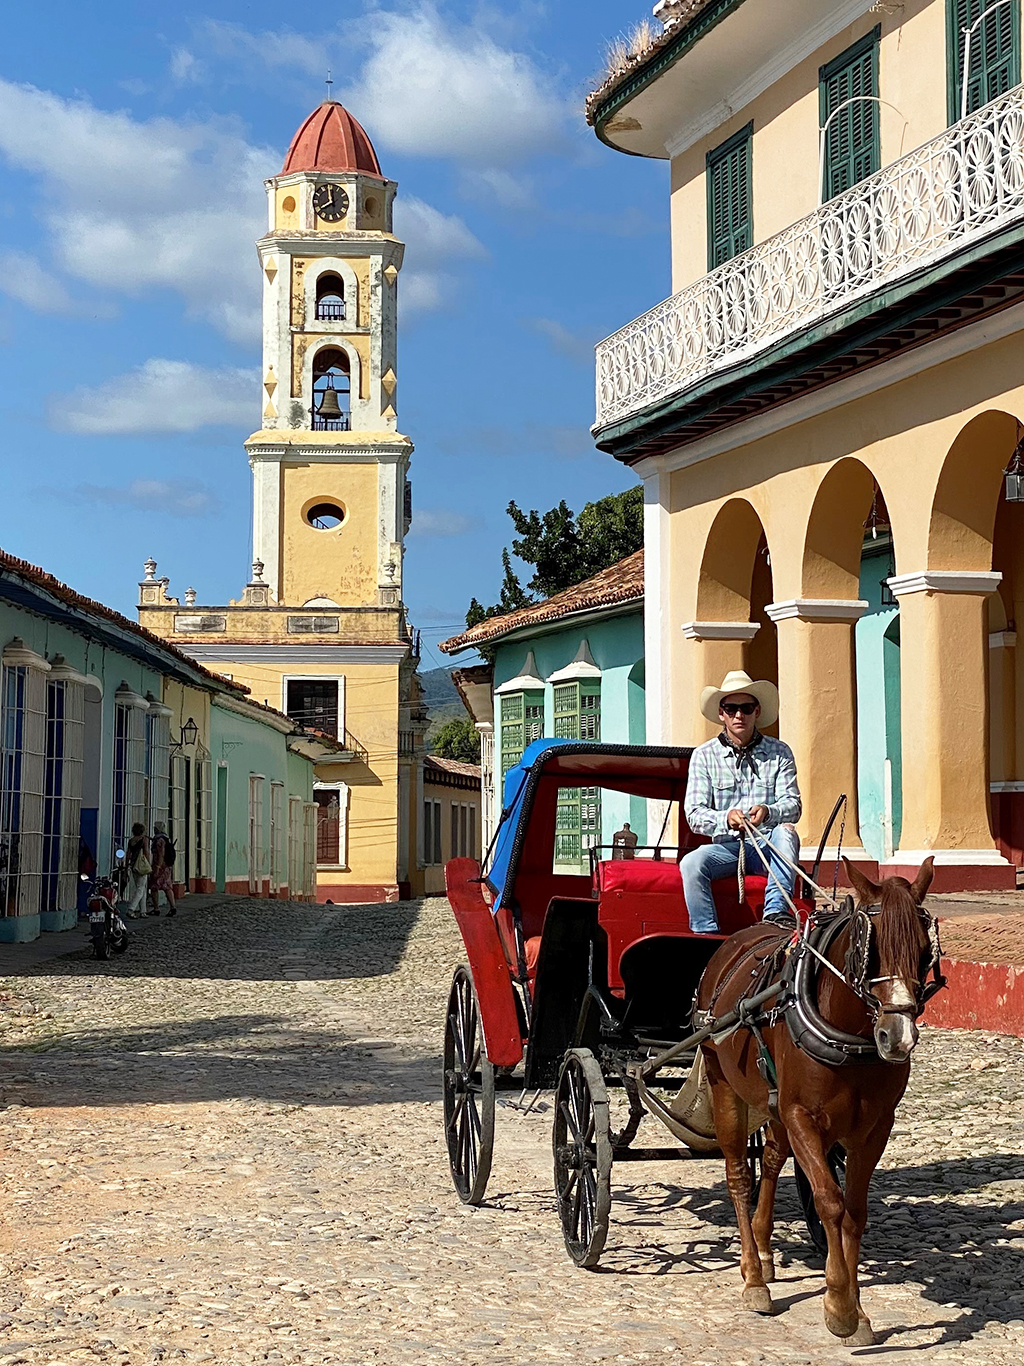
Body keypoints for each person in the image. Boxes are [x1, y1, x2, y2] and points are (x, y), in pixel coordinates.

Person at [681, 670, 802, 934]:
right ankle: (705, 932)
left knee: (787, 832)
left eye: (746, 708)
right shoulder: (703, 756)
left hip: (768, 845)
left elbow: (793, 805)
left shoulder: (780, 753)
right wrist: (726, 818)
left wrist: (768, 812)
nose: (739, 715)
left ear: (756, 711)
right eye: (731, 708)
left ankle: (775, 913)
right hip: (726, 849)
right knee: (691, 863)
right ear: (722, 713)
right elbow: (694, 814)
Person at [148, 821, 177, 917]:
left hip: (160, 866)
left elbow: (161, 854)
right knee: (167, 887)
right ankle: (173, 907)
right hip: (167, 866)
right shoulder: (165, 837)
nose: (154, 829)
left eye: (155, 828)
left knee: (154, 887)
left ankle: (156, 908)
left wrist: (157, 867)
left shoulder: (159, 840)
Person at [125, 823, 151, 918]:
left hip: (133, 865)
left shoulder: (131, 841)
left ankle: (143, 911)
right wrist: (148, 864)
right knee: (140, 889)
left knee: (141, 888)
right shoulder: (144, 839)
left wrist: (126, 866)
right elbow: (146, 852)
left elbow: (128, 854)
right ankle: (131, 909)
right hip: (141, 865)